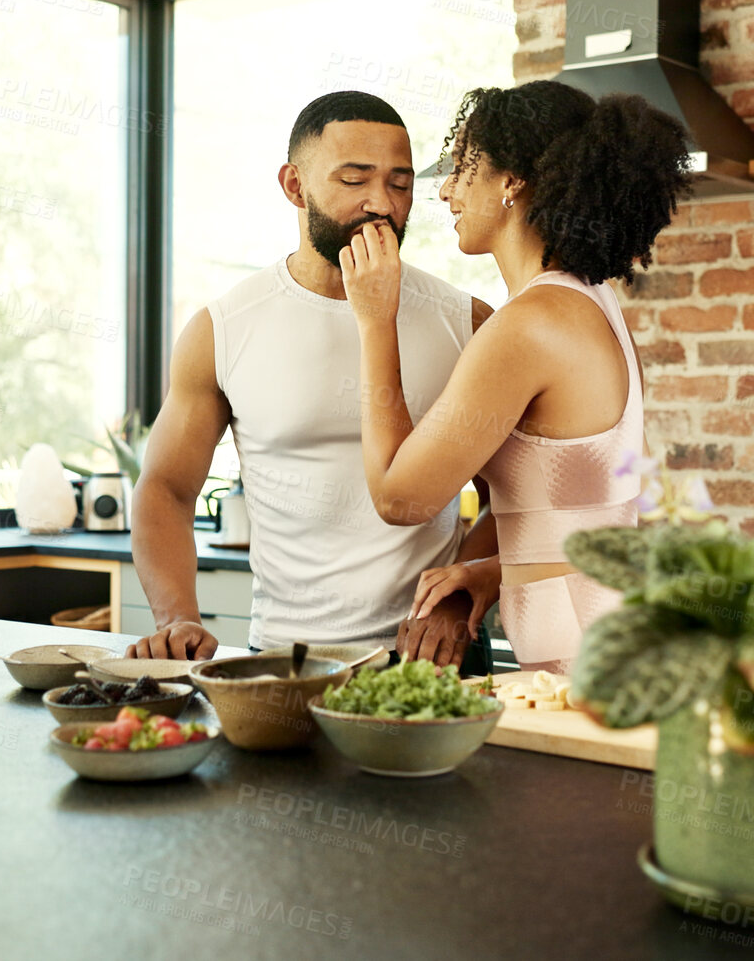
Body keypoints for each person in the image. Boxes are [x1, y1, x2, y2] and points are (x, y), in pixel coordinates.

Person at [126, 91, 501, 668]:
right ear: (295, 186)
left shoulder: (466, 322)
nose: (382, 202)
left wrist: (457, 597)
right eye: (355, 179)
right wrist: (177, 616)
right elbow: (165, 490)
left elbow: (514, 495)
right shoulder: (223, 329)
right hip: (283, 657)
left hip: (431, 656)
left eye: (400, 184)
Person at [338, 81, 690, 672]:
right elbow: (603, 505)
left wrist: (376, 321)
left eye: (462, 169)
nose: (447, 191)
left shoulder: (529, 325)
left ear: (512, 180)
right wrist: (494, 569)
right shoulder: (592, 301)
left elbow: (400, 497)